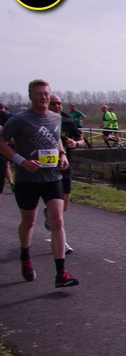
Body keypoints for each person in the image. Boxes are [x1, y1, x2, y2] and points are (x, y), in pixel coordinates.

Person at [0, 80, 79, 287]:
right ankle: (25, 256)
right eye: (38, 94)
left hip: (52, 176)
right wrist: (21, 161)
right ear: (30, 96)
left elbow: (56, 138)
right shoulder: (19, 120)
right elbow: (1, 142)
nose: (43, 97)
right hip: (27, 179)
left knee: (57, 221)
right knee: (29, 221)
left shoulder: (55, 117)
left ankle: (61, 274)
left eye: (46, 94)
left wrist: (63, 154)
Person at [46, 95, 75, 254]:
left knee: (64, 207)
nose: (57, 106)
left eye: (59, 103)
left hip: (64, 165)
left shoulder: (67, 121)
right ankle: (61, 243)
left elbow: (80, 139)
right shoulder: (38, 120)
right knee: (56, 212)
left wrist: (75, 143)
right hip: (46, 167)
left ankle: (48, 213)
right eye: (53, 104)